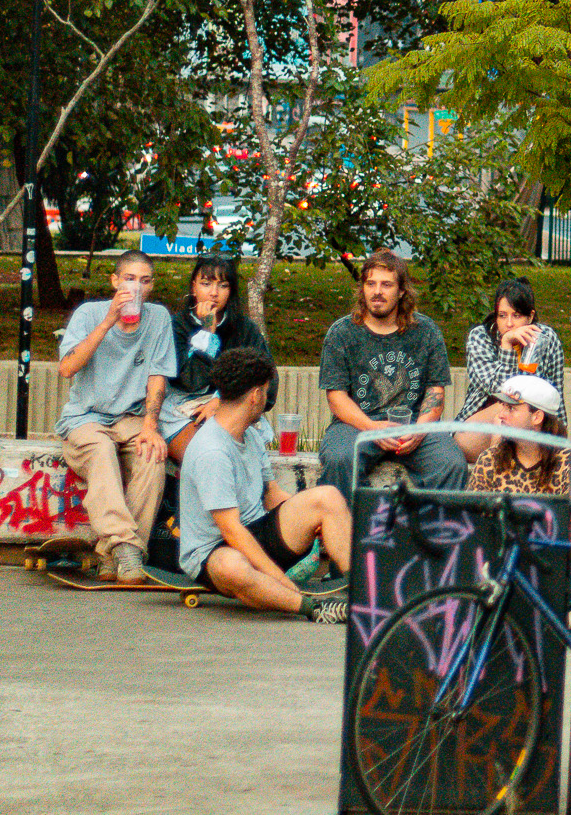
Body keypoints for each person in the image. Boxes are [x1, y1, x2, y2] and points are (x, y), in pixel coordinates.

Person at [179, 347, 352, 622]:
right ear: (256, 395)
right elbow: (232, 531)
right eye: (266, 392)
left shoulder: (250, 432)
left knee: (327, 497)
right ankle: (312, 608)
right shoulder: (212, 451)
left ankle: (366, 594)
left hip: (256, 532)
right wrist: (280, 579)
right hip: (216, 550)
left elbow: (271, 493)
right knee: (231, 568)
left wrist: (312, 520)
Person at [55, 249, 177, 583]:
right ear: (114, 281)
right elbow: (67, 368)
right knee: (101, 451)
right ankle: (127, 550)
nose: (137, 287)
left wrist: (151, 427)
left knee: (152, 455)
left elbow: (157, 377)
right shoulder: (89, 313)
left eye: (145, 280)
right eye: (129, 279)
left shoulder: (159, 319)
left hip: (131, 417)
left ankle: (110, 554)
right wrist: (109, 320)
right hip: (86, 417)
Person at [317, 249, 466, 495]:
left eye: (386, 285)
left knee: (451, 463)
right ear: (362, 288)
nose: (377, 291)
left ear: (401, 290)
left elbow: (435, 391)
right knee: (340, 458)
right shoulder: (341, 333)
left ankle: (429, 531)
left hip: (414, 426)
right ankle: (348, 530)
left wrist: (420, 429)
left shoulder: (425, 330)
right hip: (357, 425)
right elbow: (336, 397)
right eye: (371, 284)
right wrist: (372, 428)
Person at [163, 254, 272, 464]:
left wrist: (221, 400)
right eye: (205, 284)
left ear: (230, 291)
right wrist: (207, 332)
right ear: (194, 286)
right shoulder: (176, 326)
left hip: (233, 405)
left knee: (240, 457)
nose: (213, 293)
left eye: (222, 285)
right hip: (182, 409)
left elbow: (268, 381)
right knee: (205, 459)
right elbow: (189, 381)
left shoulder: (245, 329)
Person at [457, 374, 571, 539]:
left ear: (537, 417)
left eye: (511, 408)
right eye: (503, 406)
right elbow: (471, 522)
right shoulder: (489, 460)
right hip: (499, 557)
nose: (501, 415)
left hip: (550, 560)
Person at [459, 278, 566, 423]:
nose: (509, 324)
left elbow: (555, 396)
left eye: (516, 316)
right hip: (479, 424)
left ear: (530, 317)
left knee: (531, 409)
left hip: (528, 424)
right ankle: (499, 447)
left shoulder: (546, 338)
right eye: (502, 316)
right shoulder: (480, 336)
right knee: (512, 407)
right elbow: (501, 391)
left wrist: (561, 439)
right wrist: (507, 344)